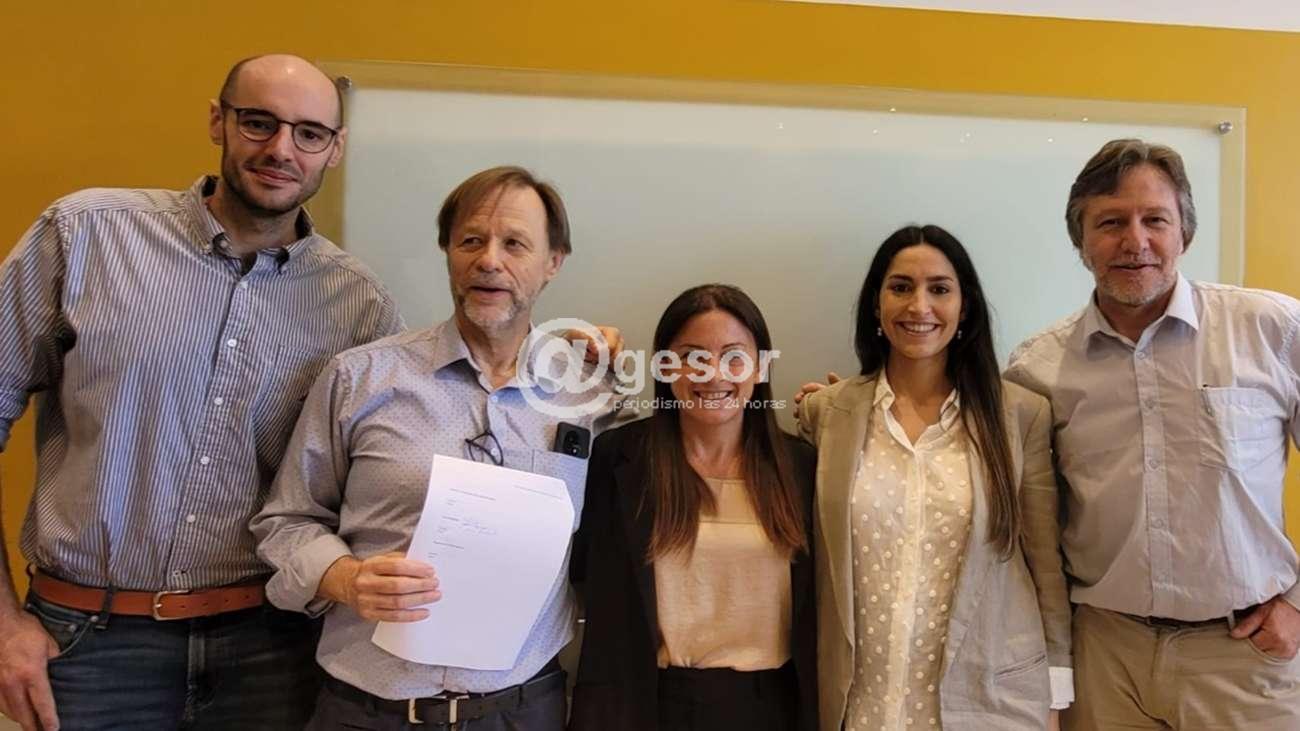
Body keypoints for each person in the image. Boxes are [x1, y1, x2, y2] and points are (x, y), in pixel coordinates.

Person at [0, 54, 402, 730]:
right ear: (218, 121)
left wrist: (560, 364)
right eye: (259, 122)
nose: (281, 149)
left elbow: (402, 455)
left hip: (271, 651)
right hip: (89, 647)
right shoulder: (87, 235)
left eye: (308, 133)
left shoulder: (358, 304)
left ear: (334, 150)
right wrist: (4, 624)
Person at [252, 165, 626, 731]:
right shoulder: (360, 378)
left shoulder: (590, 395)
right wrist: (343, 577)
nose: (489, 260)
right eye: (470, 240)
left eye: (515, 244)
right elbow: (286, 522)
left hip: (523, 710)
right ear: (447, 251)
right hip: (367, 711)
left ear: (553, 262)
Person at [1005, 138, 1300, 730]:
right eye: (1110, 222)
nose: (1134, 241)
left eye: (1155, 220)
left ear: (1184, 232)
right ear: (1081, 240)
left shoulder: (1272, 329)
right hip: (1104, 657)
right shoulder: (1035, 369)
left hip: (1244, 657)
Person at [797, 225, 1072, 730]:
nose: (918, 306)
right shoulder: (827, 413)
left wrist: (1056, 695)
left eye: (939, 289)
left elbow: (1045, 568)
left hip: (987, 700)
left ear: (964, 308)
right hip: (862, 702)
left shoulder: (1021, 415)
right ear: (876, 303)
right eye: (901, 287)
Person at [569, 283, 817, 731]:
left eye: (734, 356)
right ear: (664, 367)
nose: (713, 374)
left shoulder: (804, 468)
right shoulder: (619, 458)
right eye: (692, 356)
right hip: (646, 703)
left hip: (773, 706)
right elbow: (582, 574)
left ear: (761, 367)